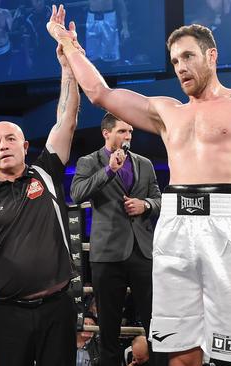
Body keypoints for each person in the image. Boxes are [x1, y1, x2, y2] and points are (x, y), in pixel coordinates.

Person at [47, 6, 231, 365]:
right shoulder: (167, 111)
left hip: (230, 224)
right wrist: (69, 46)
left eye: (187, 56)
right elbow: (100, 93)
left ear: (212, 55)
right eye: (174, 60)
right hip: (175, 230)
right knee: (179, 354)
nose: (180, 66)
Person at [0, 37, 82, 366]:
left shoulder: (46, 171)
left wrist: (67, 66)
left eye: (11, 138)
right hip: (8, 313)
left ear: (25, 146)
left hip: (58, 306)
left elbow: (66, 118)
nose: (4, 145)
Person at [70, 112, 161, 365]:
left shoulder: (144, 163)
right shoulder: (89, 162)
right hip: (108, 254)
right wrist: (109, 170)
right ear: (106, 133)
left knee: (156, 323)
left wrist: (146, 205)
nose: (128, 136)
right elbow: (77, 194)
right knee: (108, 328)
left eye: (130, 131)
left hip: (142, 251)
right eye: (122, 131)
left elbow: (159, 199)